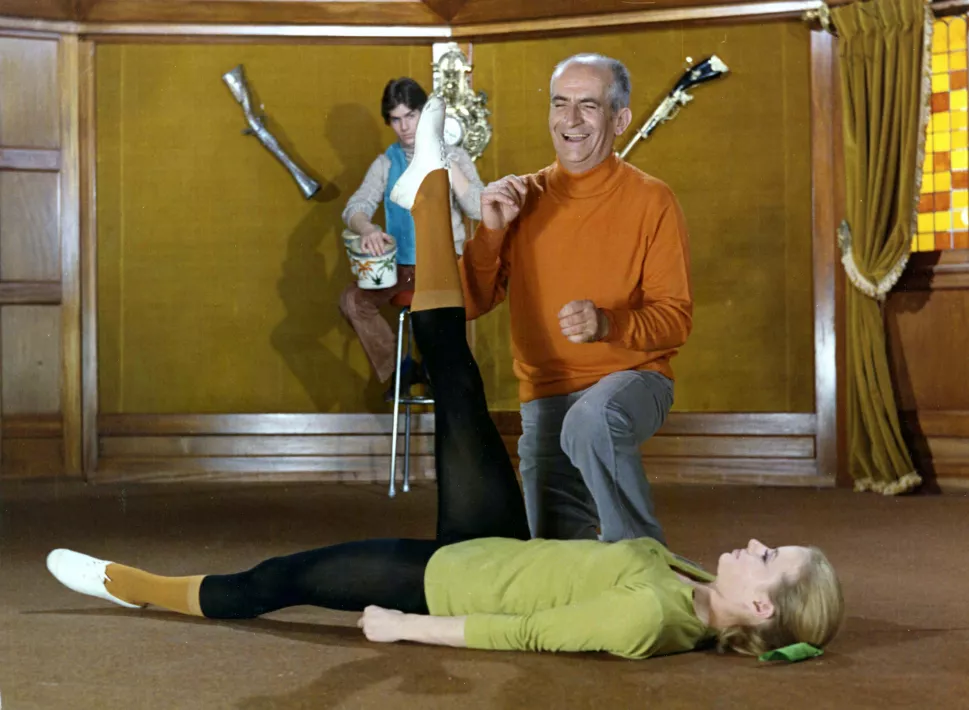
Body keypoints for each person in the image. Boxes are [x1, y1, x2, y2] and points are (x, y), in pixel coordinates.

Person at [46, 98, 844, 660]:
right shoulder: (695, 584)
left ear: (759, 603)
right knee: (455, 375)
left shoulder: (649, 620)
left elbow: (525, 634)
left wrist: (407, 628)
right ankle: (428, 181)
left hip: (444, 583)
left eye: (767, 555)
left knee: (281, 578)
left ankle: (134, 586)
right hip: (498, 542)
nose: (755, 543)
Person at [459, 53, 691, 545]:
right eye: (559, 103)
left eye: (588, 105)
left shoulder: (653, 200)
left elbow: (675, 319)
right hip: (545, 399)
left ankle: (646, 561)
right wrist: (491, 232)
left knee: (590, 420)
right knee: (556, 560)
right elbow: (469, 303)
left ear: (619, 120)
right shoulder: (521, 198)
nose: (570, 119)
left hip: (633, 381)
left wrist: (608, 324)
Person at [341, 77, 484, 392]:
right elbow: (356, 207)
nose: (404, 127)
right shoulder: (386, 163)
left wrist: (445, 161)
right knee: (353, 301)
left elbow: (479, 209)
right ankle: (402, 368)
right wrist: (367, 228)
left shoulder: (455, 157)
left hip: (447, 268)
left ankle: (437, 370)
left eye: (411, 116)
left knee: (433, 321)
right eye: (396, 119)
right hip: (403, 268)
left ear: (425, 114)